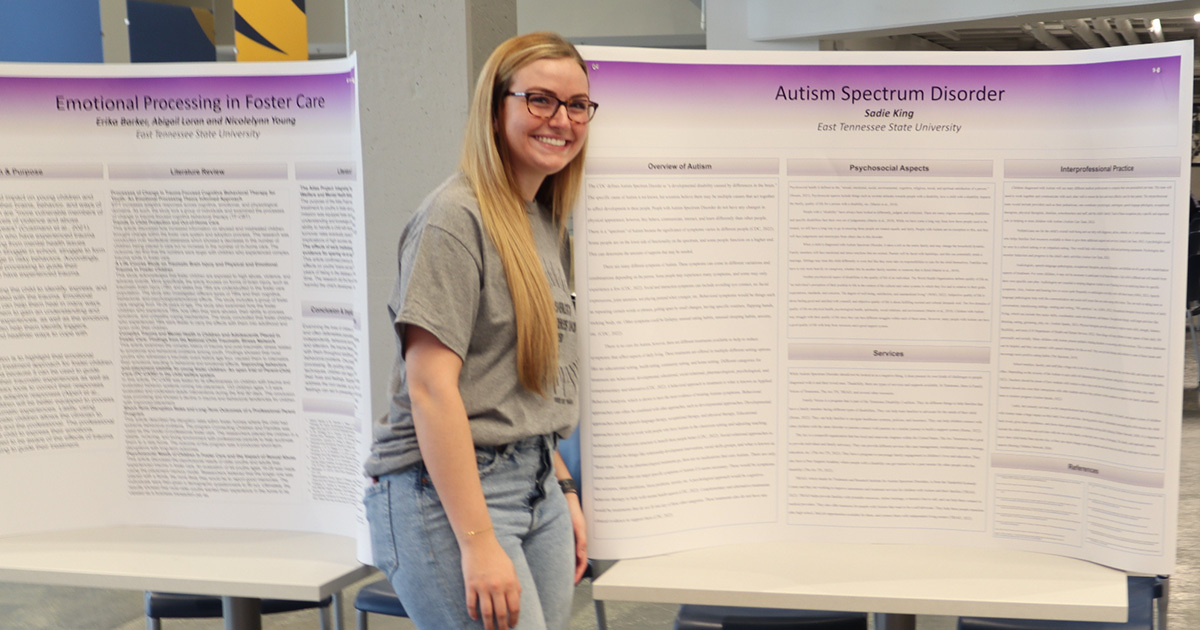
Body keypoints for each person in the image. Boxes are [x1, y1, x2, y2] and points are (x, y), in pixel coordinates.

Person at [363, 31, 598, 630]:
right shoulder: (453, 218)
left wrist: (561, 486)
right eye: (540, 99)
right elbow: (431, 390)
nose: (562, 120)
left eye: (577, 105)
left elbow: (525, 384)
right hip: (444, 494)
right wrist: (476, 540)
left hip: (535, 480)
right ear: (496, 112)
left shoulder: (544, 222)